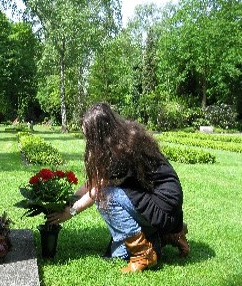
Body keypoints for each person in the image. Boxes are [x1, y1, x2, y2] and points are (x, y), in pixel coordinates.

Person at [47, 102, 190, 273]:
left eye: (89, 135)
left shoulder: (122, 149)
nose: (86, 139)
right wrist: (70, 200)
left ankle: (143, 254)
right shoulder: (118, 139)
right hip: (151, 198)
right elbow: (93, 181)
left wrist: (70, 212)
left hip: (163, 203)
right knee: (118, 255)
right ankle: (166, 235)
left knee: (105, 198)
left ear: (100, 132)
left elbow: (97, 191)